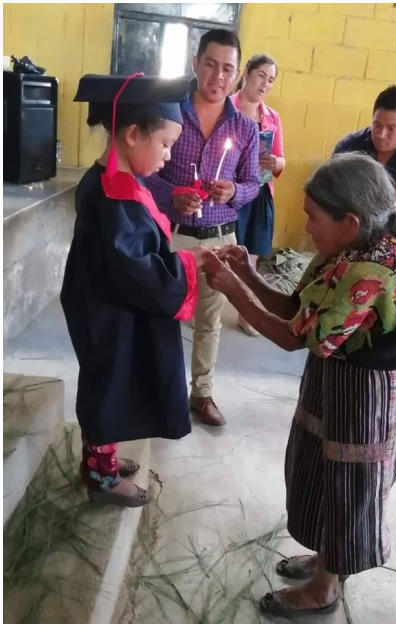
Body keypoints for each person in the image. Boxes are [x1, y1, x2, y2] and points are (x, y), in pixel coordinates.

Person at [201, 152, 396, 617]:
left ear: (350, 221)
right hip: (337, 374)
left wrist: (232, 290)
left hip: (367, 392)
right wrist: (247, 273)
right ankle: (327, 560)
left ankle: (326, 587)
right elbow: (295, 309)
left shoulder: (369, 270)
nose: (307, 227)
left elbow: (292, 338)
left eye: (313, 217)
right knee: (323, 467)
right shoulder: (343, 249)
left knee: (349, 482)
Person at [63, 73, 209, 507]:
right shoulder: (112, 195)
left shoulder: (119, 181)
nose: (168, 155)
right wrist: (190, 263)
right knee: (109, 384)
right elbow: (135, 270)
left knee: (115, 381)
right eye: (164, 143)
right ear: (131, 134)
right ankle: (100, 477)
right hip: (108, 313)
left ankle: (101, 457)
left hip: (112, 307)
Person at [144, 29, 259, 427]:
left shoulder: (244, 129)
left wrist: (234, 192)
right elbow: (144, 173)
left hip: (219, 238)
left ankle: (202, 393)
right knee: (163, 314)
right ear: (195, 63)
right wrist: (171, 195)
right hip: (172, 234)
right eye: (210, 65)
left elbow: (253, 183)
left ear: (237, 74)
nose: (218, 76)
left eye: (227, 68)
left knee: (210, 320)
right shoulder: (169, 113)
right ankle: (160, 390)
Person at [230, 52, 286, 336]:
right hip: (229, 191)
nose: (265, 84)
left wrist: (276, 163)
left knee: (250, 256)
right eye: (261, 75)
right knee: (220, 251)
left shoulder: (272, 118)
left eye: (271, 80)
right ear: (247, 73)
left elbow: (281, 159)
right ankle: (205, 309)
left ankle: (246, 314)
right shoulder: (225, 108)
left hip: (259, 192)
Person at [332, 85, 396, 212]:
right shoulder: (350, 146)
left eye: (391, 128)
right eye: (377, 125)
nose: (381, 135)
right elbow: (332, 185)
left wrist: (380, 213)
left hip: (394, 219)